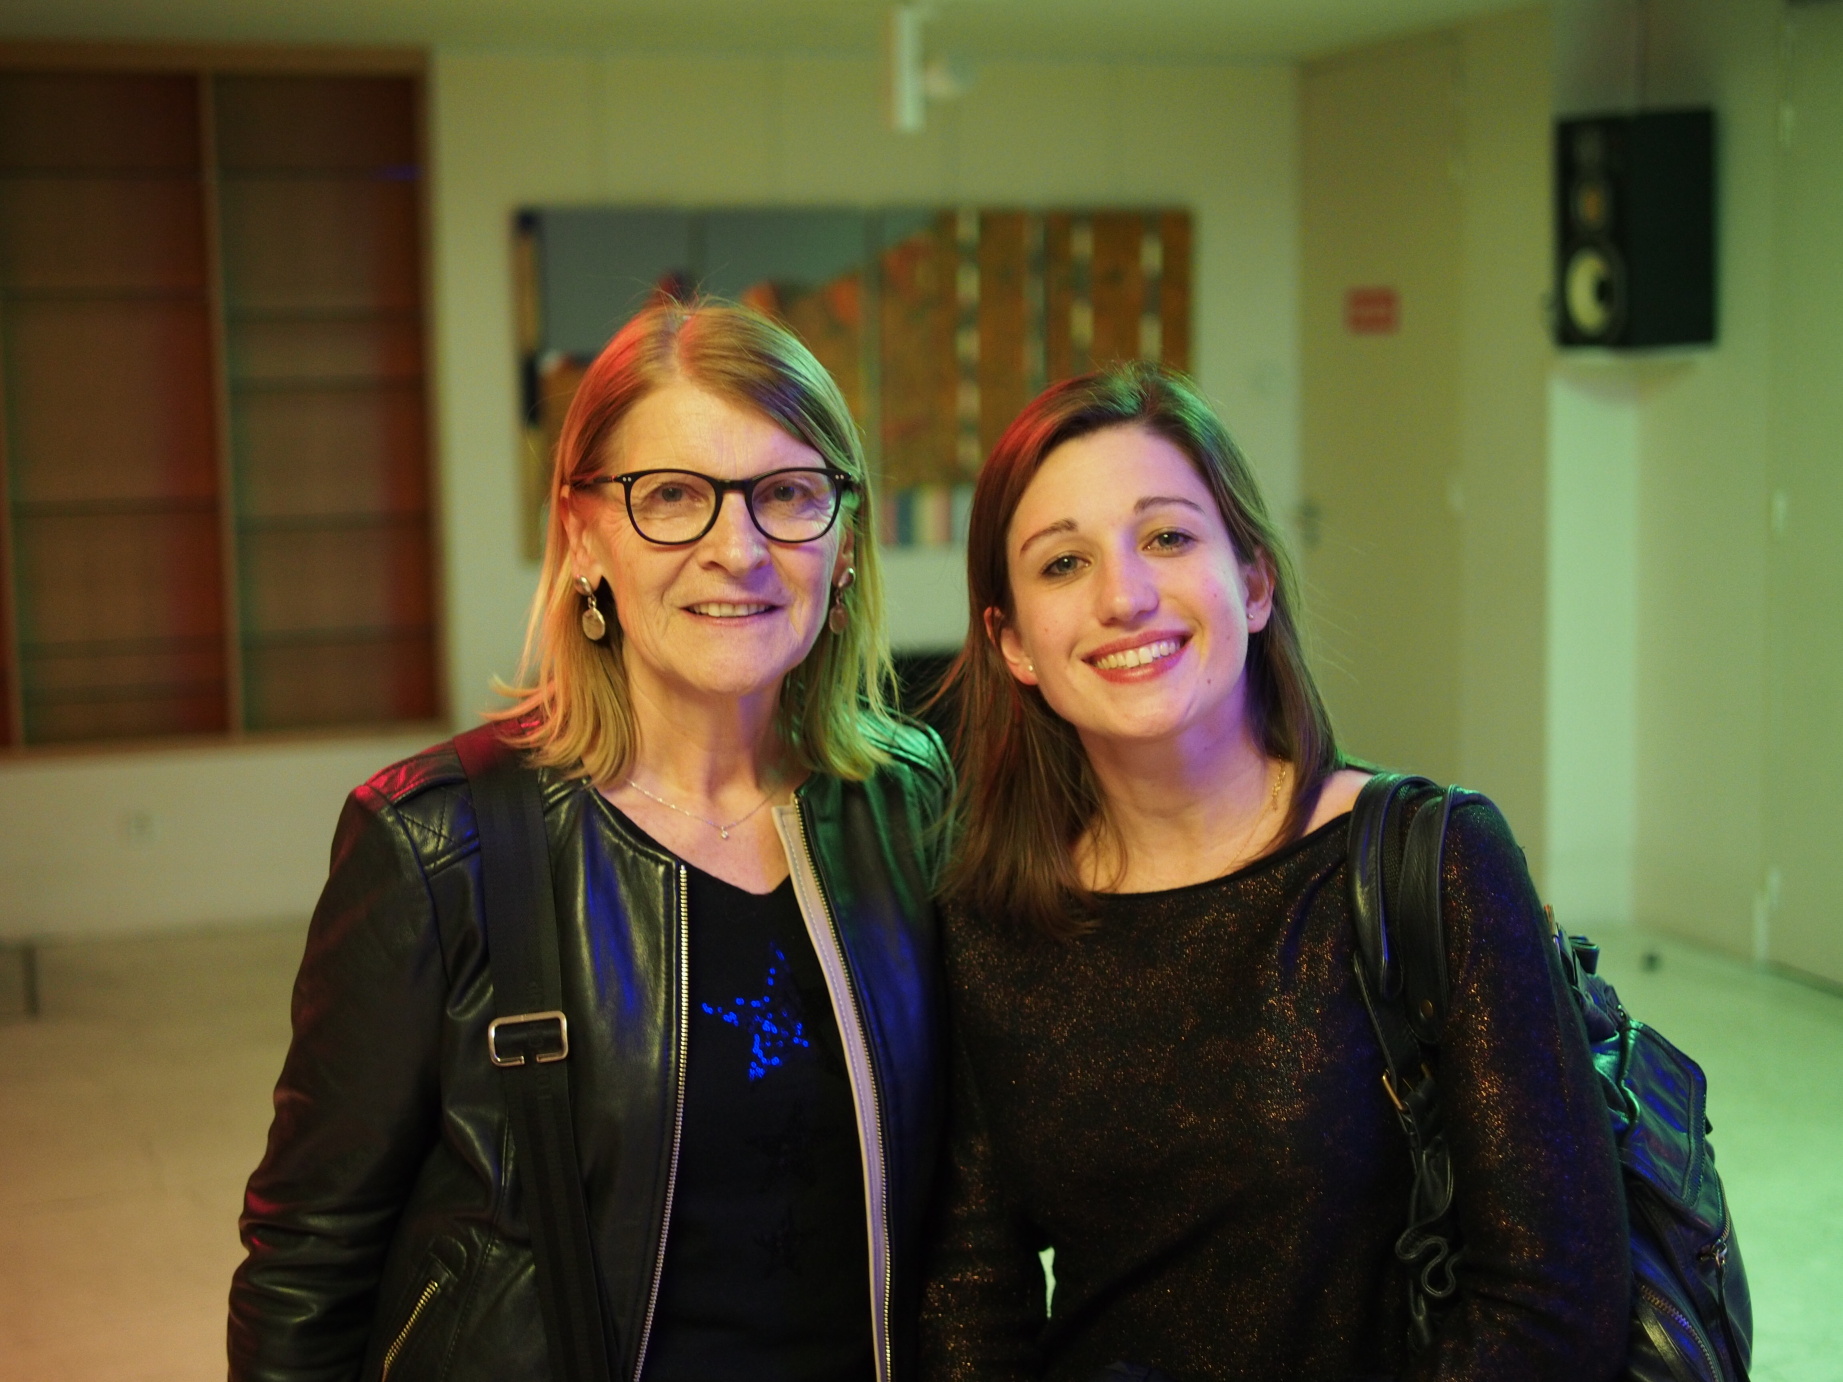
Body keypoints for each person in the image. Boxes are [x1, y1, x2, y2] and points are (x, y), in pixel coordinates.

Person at [229, 300, 951, 1382]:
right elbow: (307, 1259)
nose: (737, 548)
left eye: (789, 493)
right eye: (672, 497)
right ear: (581, 535)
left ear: (844, 540)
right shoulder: (438, 846)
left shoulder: (906, 804)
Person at [919, 363, 1627, 1382]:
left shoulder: (1430, 859)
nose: (1124, 597)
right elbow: (970, 1292)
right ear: (1013, 642)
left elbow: (1552, 1302)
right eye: (1063, 563)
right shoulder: (991, 922)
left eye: (1167, 537)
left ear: (1252, 584)